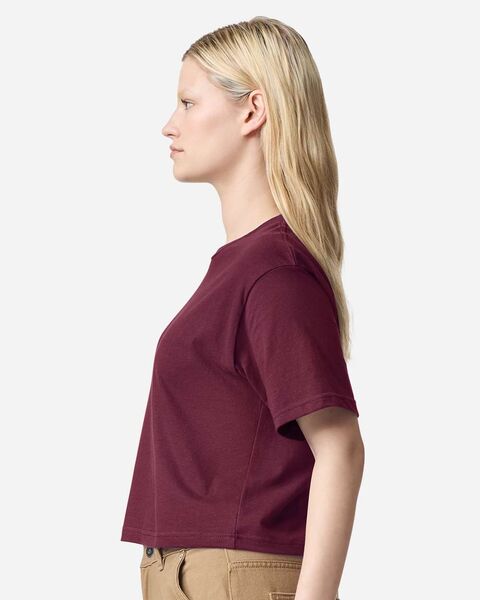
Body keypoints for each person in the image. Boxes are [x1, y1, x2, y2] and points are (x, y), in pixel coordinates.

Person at [121, 16, 365, 600]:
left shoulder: (274, 273)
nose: (169, 124)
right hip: (193, 574)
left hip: (230, 577)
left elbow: (340, 446)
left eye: (188, 103)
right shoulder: (243, 267)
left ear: (252, 111)